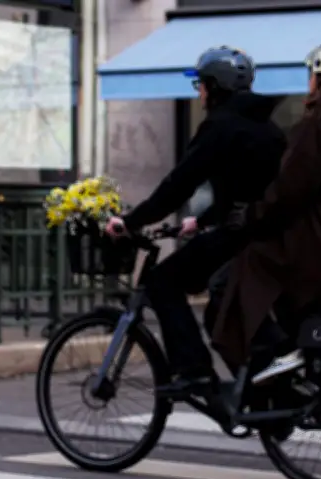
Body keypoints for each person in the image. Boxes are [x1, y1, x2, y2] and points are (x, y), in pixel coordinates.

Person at [105, 46, 287, 395]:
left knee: (161, 282)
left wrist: (131, 222)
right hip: (265, 233)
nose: (199, 93)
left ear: (216, 86)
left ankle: (194, 372)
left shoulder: (221, 126)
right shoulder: (267, 127)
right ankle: (256, 392)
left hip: (241, 235)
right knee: (215, 311)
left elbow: (180, 183)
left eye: (201, 85)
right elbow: (247, 188)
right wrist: (201, 222)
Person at [211, 45, 321, 382]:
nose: (309, 81)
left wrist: (250, 216)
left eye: (313, 75)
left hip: (307, 237)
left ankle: (275, 361)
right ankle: (290, 360)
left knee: (231, 282)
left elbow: (290, 191)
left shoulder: (317, 126)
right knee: (294, 303)